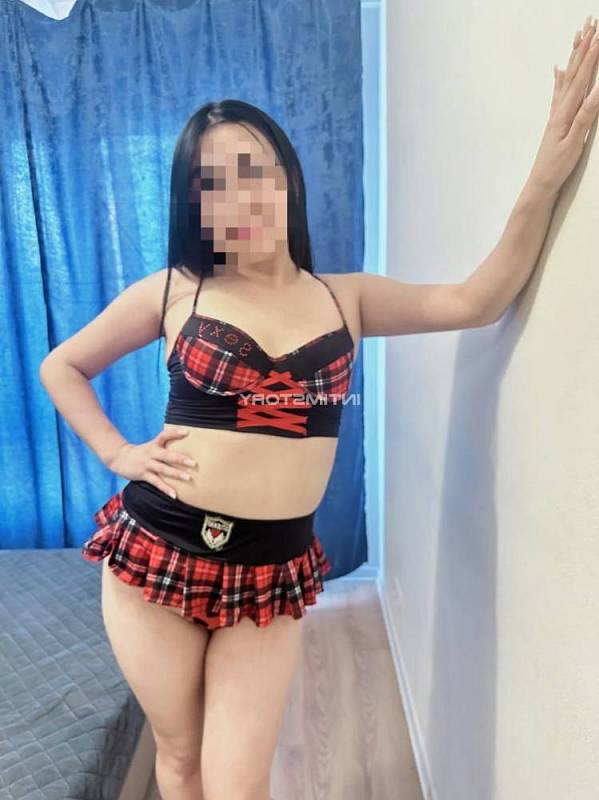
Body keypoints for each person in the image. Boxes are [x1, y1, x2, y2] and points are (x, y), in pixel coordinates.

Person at [39, 23, 599, 798]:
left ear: (286, 178)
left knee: (237, 783)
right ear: (193, 206)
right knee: (180, 756)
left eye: (252, 171)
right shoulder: (172, 292)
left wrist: (547, 172)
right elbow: (62, 366)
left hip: (269, 568)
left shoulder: (346, 298)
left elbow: (477, 299)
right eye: (212, 184)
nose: (238, 197)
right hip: (157, 550)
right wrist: (117, 453)